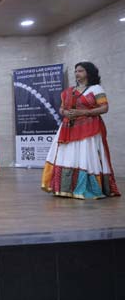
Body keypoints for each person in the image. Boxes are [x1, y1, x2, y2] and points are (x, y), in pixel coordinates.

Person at [42, 62, 120, 199]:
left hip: (88, 129)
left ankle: (85, 188)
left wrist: (83, 112)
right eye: (76, 71)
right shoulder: (70, 91)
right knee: (67, 155)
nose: (77, 73)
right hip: (68, 128)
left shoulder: (96, 89)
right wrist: (65, 113)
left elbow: (104, 108)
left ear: (88, 73)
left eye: (80, 71)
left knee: (85, 156)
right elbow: (61, 108)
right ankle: (66, 188)